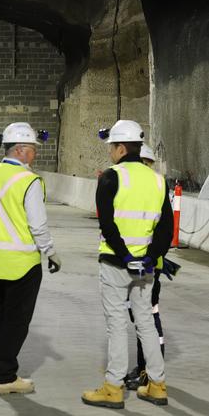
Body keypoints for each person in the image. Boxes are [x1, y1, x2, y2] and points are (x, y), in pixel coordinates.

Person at [82, 120, 173, 409]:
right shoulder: (158, 180)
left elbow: (107, 225)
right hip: (146, 267)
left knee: (117, 324)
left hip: (115, 263)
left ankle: (113, 387)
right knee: (145, 321)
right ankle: (156, 385)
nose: (110, 152)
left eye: (112, 146)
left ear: (121, 147)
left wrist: (126, 257)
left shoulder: (110, 177)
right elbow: (166, 229)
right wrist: (147, 258)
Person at [0, 122, 61, 395]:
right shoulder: (29, 181)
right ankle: (5, 377)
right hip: (21, 263)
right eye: (33, 148)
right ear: (21, 149)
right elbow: (37, 224)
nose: (34, 154)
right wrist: (50, 251)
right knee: (16, 320)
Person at [123, 143, 173, 390]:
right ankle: (146, 368)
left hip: (146, 267)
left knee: (148, 319)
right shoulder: (154, 187)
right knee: (144, 317)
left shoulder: (150, 188)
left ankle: (148, 371)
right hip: (145, 264)